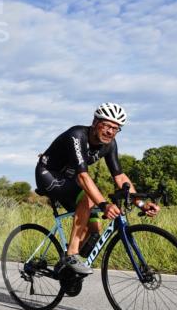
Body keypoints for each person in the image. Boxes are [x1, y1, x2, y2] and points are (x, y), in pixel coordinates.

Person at [35, 102, 159, 276]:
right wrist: (104, 205)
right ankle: (71, 255)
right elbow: (83, 177)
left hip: (69, 179)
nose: (110, 131)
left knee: (94, 229)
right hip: (48, 174)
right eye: (107, 125)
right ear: (95, 122)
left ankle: (65, 268)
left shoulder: (110, 145)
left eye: (116, 128)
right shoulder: (77, 135)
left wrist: (141, 203)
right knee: (89, 198)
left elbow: (120, 177)